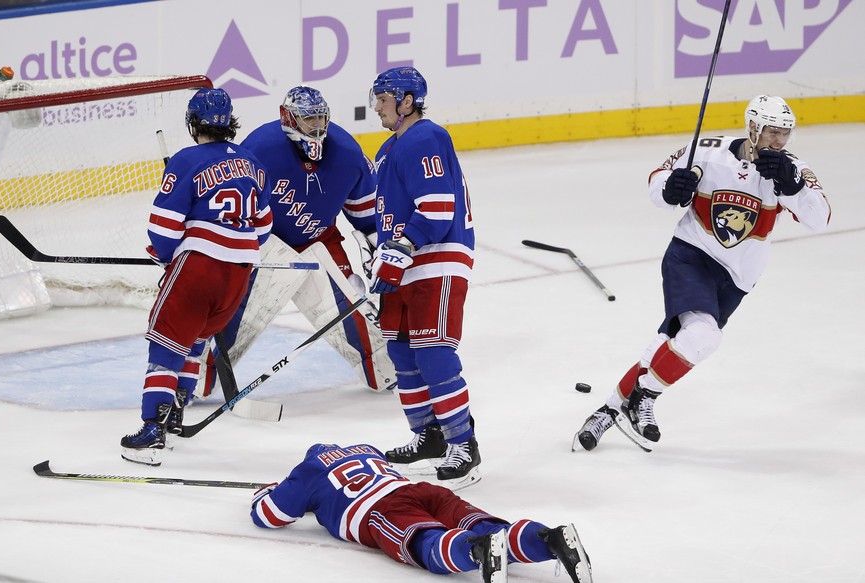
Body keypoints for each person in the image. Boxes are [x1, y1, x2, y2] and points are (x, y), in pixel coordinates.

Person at [576, 95, 831, 451]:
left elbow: (820, 219)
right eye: (772, 132)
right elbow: (659, 180)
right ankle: (644, 397)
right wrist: (670, 188)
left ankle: (610, 409)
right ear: (753, 128)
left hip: (737, 277)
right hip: (690, 255)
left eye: (785, 134)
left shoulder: (791, 170)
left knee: (674, 342)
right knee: (702, 336)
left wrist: (795, 187)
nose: (779, 141)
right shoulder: (708, 151)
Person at [198, 85, 395, 399]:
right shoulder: (260, 148)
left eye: (320, 118)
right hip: (266, 246)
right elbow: (235, 209)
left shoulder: (347, 153)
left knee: (356, 323)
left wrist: (373, 257)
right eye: (308, 120)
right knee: (233, 316)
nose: (316, 127)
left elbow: (368, 218)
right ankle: (193, 378)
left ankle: (385, 368)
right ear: (287, 117)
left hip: (320, 242)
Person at [120, 87, 273, 466]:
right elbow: (265, 227)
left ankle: (151, 431)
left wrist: (166, 256)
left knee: (168, 342)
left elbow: (164, 227)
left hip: (199, 268)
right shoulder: (252, 161)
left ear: (193, 123)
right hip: (239, 274)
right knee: (196, 341)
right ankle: (174, 415)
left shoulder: (186, 160)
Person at [366, 66, 480, 489]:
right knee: (402, 353)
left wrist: (400, 248)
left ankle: (463, 444)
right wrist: (382, 254)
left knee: (433, 353)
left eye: (383, 99)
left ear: (407, 100)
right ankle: (429, 436)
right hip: (406, 261)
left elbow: (436, 208)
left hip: (438, 257)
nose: (376, 106)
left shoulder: (425, 137)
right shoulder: (388, 148)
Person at [251, 443, 593, 583]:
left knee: (427, 544)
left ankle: (476, 551)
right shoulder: (366, 449)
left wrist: (272, 490)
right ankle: (550, 538)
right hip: (421, 490)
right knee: (486, 525)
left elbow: (268, 515)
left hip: (382, 510)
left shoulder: (309, 469)